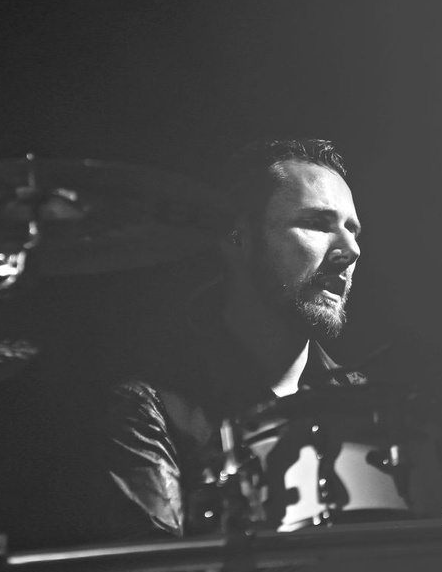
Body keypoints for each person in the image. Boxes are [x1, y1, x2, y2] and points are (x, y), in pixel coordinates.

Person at [105, 138, 363, 538]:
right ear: (236, 236)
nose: (350, 249)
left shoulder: (363, 402)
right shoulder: (153, 407)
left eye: (353, 230)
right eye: (317, 224)